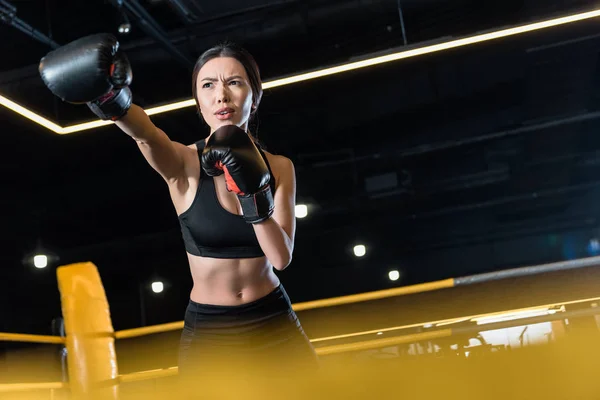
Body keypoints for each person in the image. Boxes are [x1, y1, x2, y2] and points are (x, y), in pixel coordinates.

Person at [38, 33, 319, 392]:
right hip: (211, 330)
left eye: (234, 82)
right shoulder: (185, 164)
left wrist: (252, 194)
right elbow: (147, 135)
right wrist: (113, 100)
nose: (222, 95)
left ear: (254, 95)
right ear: (199, 103)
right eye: (208, 85)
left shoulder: (280, 167)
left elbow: (281, 258)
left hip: (274, 318)